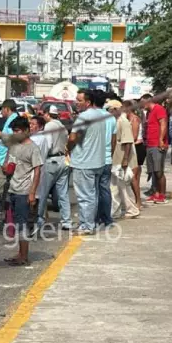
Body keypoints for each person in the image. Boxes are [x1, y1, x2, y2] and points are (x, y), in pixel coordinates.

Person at [4, 116, 42, 266]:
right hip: (12, 188)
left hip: (24, 191)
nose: (16, 134)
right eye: (14, 131)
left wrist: (32, 193)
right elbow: (7, 165)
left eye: (18, 131)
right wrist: (6, 168)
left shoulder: (33, 148)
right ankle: (20, 252)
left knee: (22, 224)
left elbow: (37, 171)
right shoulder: (13, 145)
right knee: (16, 223)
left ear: (26, 130)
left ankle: (24, 256)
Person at [68, 89, 107, 235]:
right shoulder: (100, 115)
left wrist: (68, 148)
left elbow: (73, 138)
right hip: (97, 161)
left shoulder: (84, 116)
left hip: (84, 161)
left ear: (88, 102)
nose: (76, 103)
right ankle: (89, 223)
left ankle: (87, 226)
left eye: (79, 100)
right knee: (92, 195)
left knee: (85, 196)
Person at [36, 106, 71, 230]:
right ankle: (66, 221)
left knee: (43, 192)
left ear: (47, 114)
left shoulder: (49, 126)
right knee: (63, 193)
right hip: (63, 160)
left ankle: (39, 218)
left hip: (52, 160)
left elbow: (48, 145)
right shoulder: (62, 126)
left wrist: (40, 161)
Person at [112, 100, 140, 219]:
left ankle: (130, 209)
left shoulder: (123, 122)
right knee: (117, 187)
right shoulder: (117, 121)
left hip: (121, 158)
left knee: (119, 187)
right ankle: (119, 210)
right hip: (117, 158)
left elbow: (128, 141)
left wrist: (125, 160)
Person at [141, 94, 169, 204]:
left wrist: (161, 140)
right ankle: (156, 193)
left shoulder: (159, 109)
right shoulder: (148, 112)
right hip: (150, 144)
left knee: (159, 171)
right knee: (153, 171)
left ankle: (162, 195)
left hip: (157, 144)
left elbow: (163, 124)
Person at [95, 91, 117, 227]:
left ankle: (96, 217)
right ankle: (107, 217)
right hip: (107, 157)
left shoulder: (92, 117)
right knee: (105, 188)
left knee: (94, 190)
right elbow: (114, 140)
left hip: (94, 158)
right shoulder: (111, 118)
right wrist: (110, 154)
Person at [129, 101, 145, 208]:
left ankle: (138, 201)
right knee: (133, 177)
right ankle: (136, 200)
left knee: (134, 177)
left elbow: (134, 137)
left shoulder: (134, 119)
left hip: (137, 148)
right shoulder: (130, 119)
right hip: (134, 147)